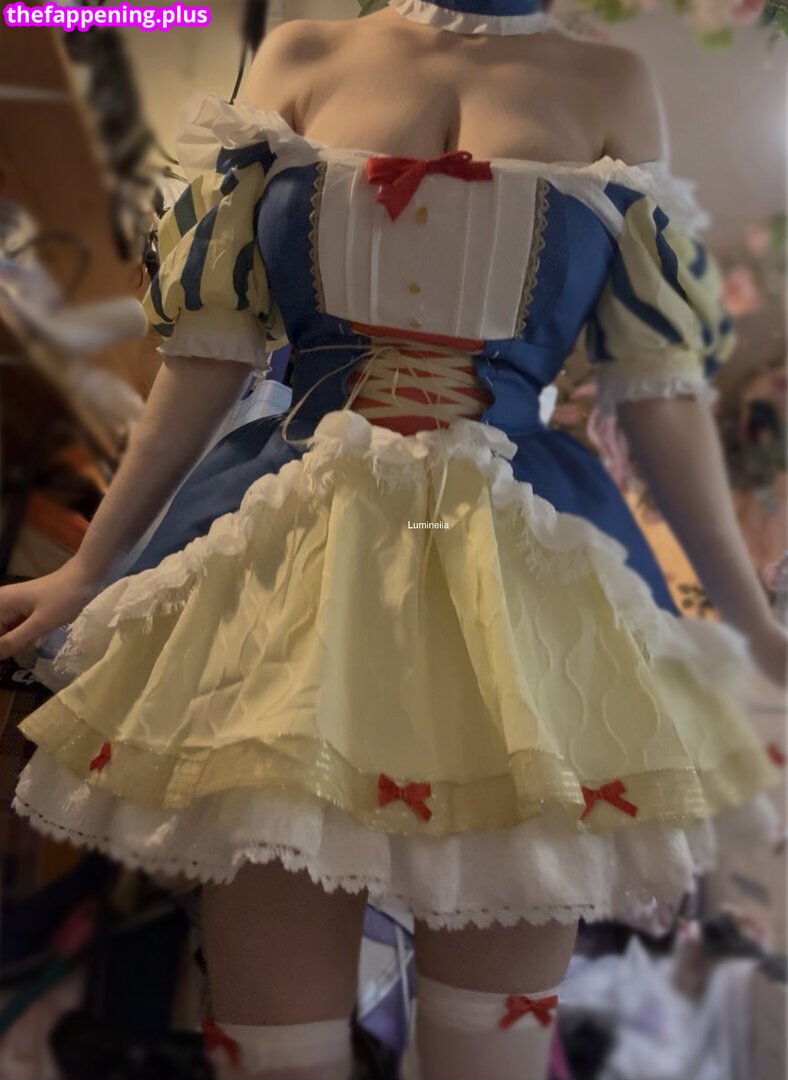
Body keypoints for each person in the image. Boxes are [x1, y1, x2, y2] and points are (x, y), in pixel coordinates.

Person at [2, 2, 784, 1077]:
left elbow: (659, 389)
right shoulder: (301, 54)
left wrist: (750, 623)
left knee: (493, 1046)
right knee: (276, 1050)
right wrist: (91, 568)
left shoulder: (611, 86)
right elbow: (209, 357)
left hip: (522, 580)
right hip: (294, 570)